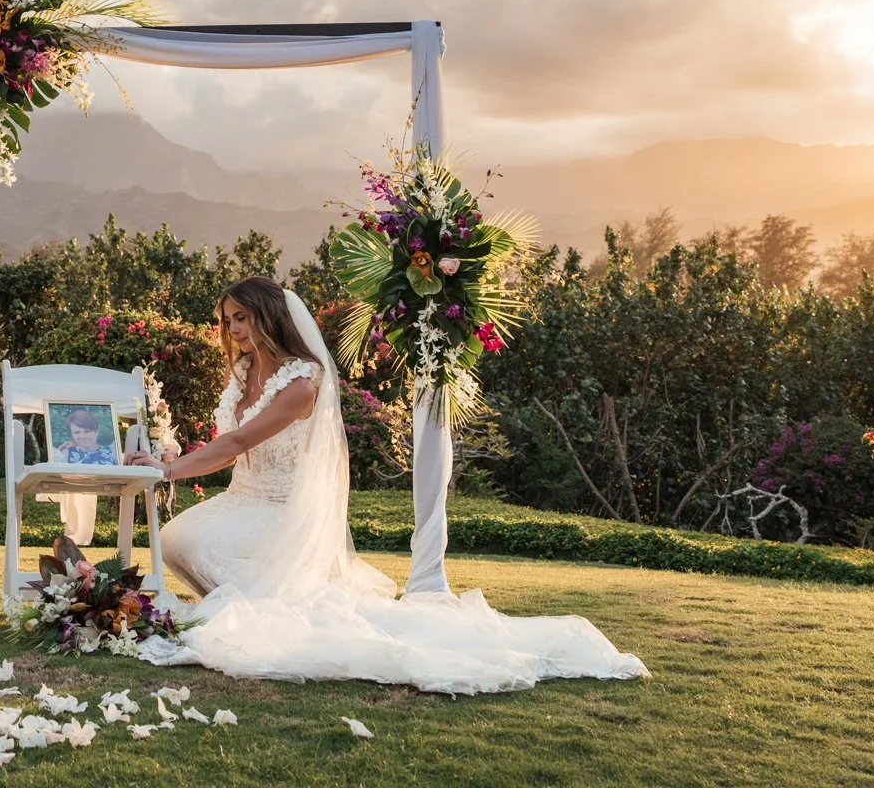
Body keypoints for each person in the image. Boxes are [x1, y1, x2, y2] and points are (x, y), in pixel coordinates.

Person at [122, 275, 648, 693]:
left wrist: (166, 470)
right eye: (227, 319)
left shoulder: (302, 383)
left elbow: (235, 445)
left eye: (241, 317)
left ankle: (266, 605)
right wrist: (170, 451)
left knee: (195, 544)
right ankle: (251, 602)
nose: (233, 328)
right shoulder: (241, 374)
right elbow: (228, 439)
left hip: (283, 510)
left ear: (269, 315)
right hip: (240, 499)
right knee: (175, 539)